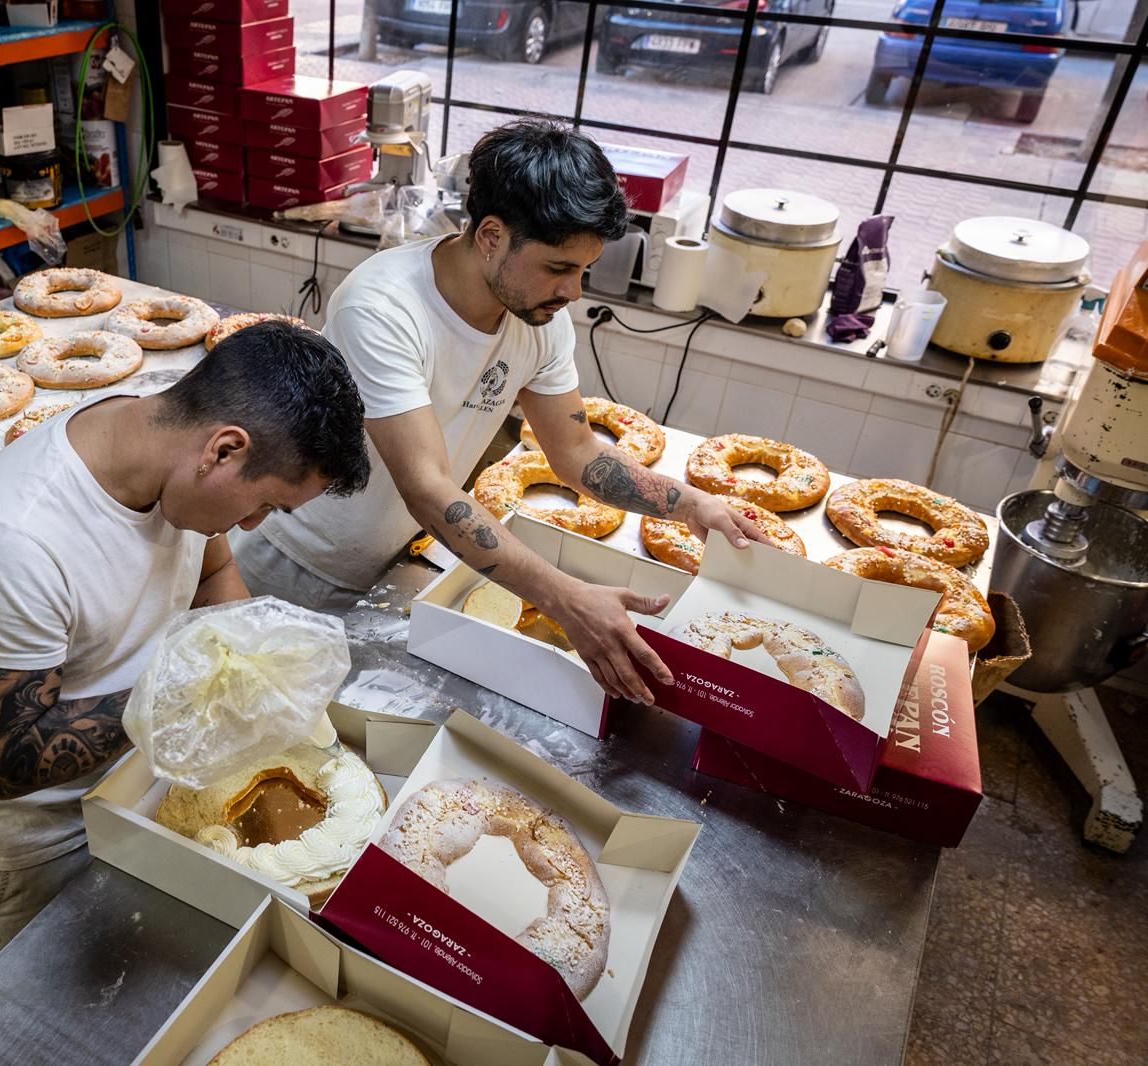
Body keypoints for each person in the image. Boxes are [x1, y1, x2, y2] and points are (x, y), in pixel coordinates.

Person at [231, 120, 772, 707]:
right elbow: (429, 489)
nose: (574, 292)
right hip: (299, 568)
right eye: (559, 268)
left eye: (584, 270)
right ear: (491, 236)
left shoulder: (538, 318)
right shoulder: (383, 309)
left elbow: (577, 453)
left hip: (397, 561)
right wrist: (566, 599)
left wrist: (689, 504)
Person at [0, 322, 371, 960]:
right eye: (266, 504)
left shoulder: (167, 445)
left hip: (154, 785)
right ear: (225, 450)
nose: (253, 525)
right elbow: (1, 762)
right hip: (44, 845)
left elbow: (212, 568)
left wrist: (248, 658)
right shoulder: (3, 543)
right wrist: (194, 693)